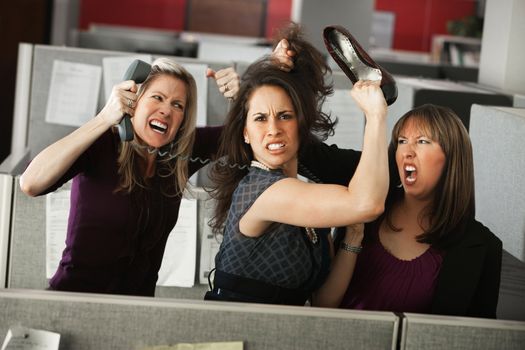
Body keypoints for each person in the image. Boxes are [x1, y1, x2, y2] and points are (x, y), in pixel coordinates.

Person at [275, 29, 502, 318]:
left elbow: (473, 338)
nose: (407, 151)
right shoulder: (370, 189)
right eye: (402, 141)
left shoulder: (481, 247)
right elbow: (304, 151)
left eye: (422, 142)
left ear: (452, 159)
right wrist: (285, 79)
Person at [19, 57, 240, 296]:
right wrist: (104, 118)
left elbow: (249, 137)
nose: (166, 110)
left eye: (178, 105)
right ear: (132, 101)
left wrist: (241, 99)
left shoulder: (180, 155)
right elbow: (31, 183)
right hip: (73, 300)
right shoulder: (102, 144)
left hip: (135, 313)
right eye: (157, 97)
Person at [205, 26, 390, 306]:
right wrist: (376, 116)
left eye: (284, 116)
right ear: (245, 132)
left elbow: (323, 301)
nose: (273, 129)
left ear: (301, 125)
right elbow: (368, 204)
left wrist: (353, 236)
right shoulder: (263, 190)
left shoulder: (304, 199)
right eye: (259, 119)